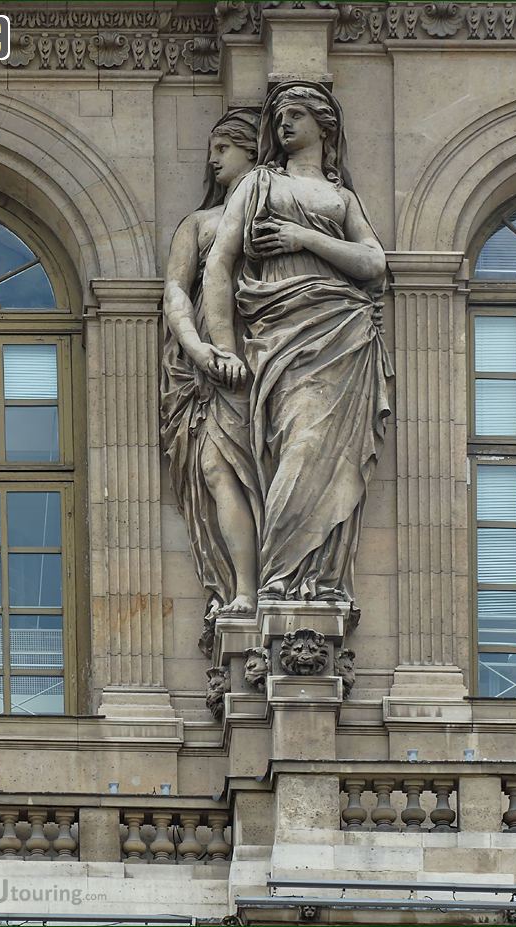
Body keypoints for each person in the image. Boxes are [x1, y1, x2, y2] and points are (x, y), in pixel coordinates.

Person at [202, 82, 393, 607]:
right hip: (279, 333)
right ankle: (282, 578)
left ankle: (309, 580)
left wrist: (304, 238)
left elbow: (374, 265)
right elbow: (219, 264)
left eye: (296, 116)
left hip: (343, 331)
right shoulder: (259, 182)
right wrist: (223, 348)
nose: (284, 125)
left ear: (324, 125)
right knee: (297, 444)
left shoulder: (341, 198)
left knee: (324, 452)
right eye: (280, 117)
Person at [160, 108, 262, 618]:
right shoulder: (199, 224)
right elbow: (176, 290)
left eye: (224, 147)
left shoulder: (282, 211)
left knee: (271, 470)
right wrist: (198, 348)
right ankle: (246, 589)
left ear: (252, 148)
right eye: (211, 149)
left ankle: (282, 583)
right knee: (216, 467)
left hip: (272, 353)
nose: (212, 158)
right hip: (214, 365)